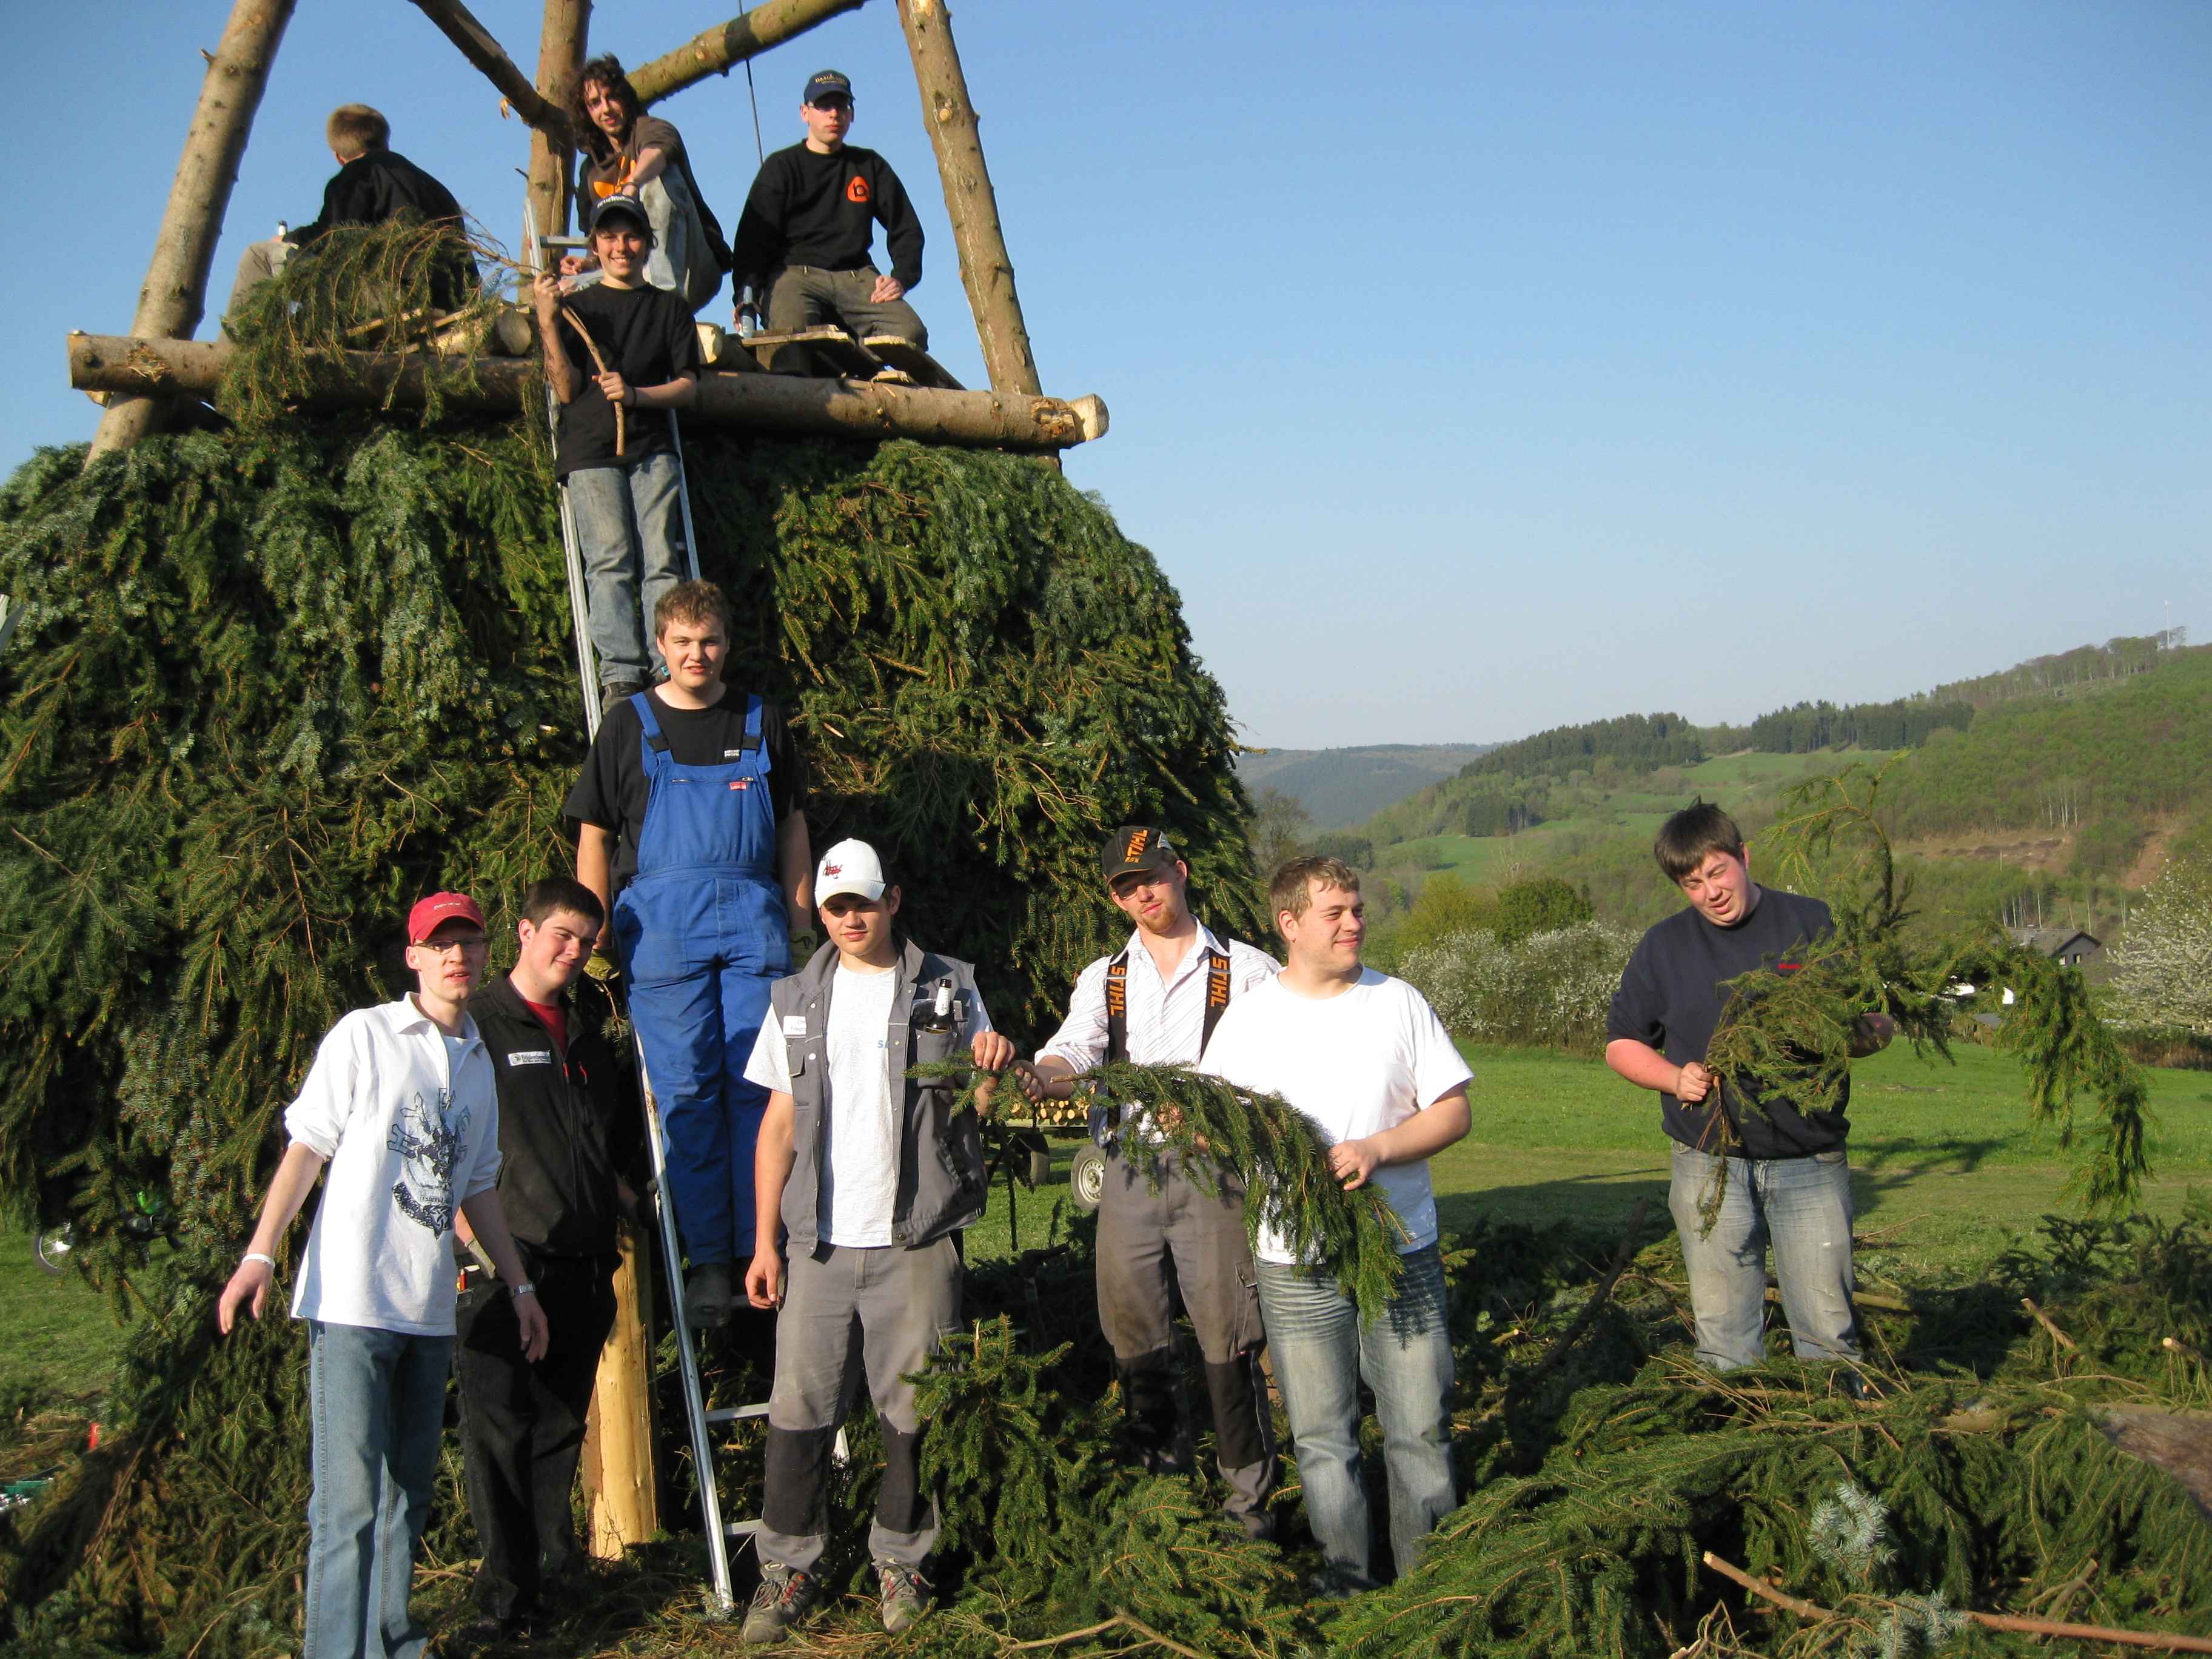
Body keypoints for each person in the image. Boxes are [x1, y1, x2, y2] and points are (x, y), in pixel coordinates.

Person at [216, 892, 549, 1659]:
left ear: (485, 952)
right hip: (351, 1302)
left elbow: (479, 1187)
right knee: (347, 1508)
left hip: (428, 1311)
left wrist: (521, 1286)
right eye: (440, 945)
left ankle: (391, 1641)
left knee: (408, 1499)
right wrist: (260, 1256)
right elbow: (307, 1148)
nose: (455, 957)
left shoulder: (478, 1061)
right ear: (414, 957)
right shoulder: (364, 1036)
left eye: (468, 942)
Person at [738, 839, 1009, 1643]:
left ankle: (903, 1559)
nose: (851, 918)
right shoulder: (792, 999)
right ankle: (787, 1567)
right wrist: (764, 1242)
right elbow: (777, 1126)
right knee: (800, 1407)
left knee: (914, 1406)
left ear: (891, 901)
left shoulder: (951, 988)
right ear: (820, 914)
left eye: (863, 902)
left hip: (916, 1236)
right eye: (835, 907)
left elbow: (983, 1100)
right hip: (817, 1243)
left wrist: (992, 1065)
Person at [1198, 855, 1471, 1594]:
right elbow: (1215, 1123)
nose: (1355, 923)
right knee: (1322, 1440)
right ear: (1290, 925)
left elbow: (1454, 1110)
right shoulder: (1251, 1016)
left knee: (1419, 1429)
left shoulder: (1398, 1002)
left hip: (1399, 1248)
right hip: (1294, 1261)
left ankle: (1429, 1593)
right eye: (1335, 913)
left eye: (1356, 908)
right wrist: (1196, 1126)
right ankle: (1347, 1591)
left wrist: (1380, 1148)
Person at [1012, 826, 1279, 1537]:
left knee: (1230, 1337)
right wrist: (1041, 1076)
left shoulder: (1249, 970)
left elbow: (1272, 1072)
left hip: (1214, 1172)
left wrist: (1212, 1111)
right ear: (1116, 898)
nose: (1142, 893)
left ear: (1180, 870)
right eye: (1126, 886)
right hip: (1128, 1171)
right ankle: (1162, 1496)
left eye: (1152, 876)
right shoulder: (1108, 976)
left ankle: (1246, 1503)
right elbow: (1075, 1047)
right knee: (1135, 1336)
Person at [565, 580, 811, 1329]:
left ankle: (756, 1248)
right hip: (661, 931)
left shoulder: (762, 719)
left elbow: (793, 828)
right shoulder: (628, 724)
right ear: (661, 649)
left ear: (724, 646)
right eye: (682, 644)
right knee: (689, 1096)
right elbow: (595, 837)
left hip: (756, 925)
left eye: (708, 642)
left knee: (760, 1089)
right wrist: (591, 928)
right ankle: (708, 1262)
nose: (696, 655)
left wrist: (802, 928)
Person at [1604, 802, 1891, 1373]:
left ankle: (1831, 1441)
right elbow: (1620, 1043)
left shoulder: (1812, 923)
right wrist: (1673, 1077)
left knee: (1828, 1334)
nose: (1710, 891)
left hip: (1809, 1158)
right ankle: (1736, 1437)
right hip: (1708, 1163)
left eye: (1718, 872)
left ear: (1744, 857)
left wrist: (1837, 1035)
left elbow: (1879, 1022)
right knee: (1723, 1342)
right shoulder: (1663, 947)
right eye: (1692, 883)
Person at [452, 877, 638, 1640]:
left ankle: (555, 1584)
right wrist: (481, 1252)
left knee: (559, 1431)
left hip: (586, 1265)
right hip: (504, 1266)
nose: (572, 951)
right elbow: (451, 1144)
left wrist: (627, 1212)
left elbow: (612, 1147)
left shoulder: (588, 1035)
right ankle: (506, 1602)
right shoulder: (476, 1027)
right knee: (498, 1435)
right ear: (523, 932)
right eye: (561, 934)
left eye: (585, 943)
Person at [534, 192, 702, 711]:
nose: (620, 246)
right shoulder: (577, 309)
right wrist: (546, 320)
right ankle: (622, 676)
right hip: (589, 449)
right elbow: (564, 389)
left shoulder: (670, 308)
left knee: (661, 560)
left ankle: (663, 666)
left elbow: (689, 386)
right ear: (594, 245)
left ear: (647, 243)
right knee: (609, 560)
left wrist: (636, 396)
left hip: (652, 447)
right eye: (608, 236)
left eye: (631, 235)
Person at [729, 69, 928, 374]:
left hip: (856, 276)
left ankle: (860, 373)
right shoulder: (781, 167)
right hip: (796, 274)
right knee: (786, 342)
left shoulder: (869, 165)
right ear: (805, 113)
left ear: (852, 114)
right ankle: (808, 390)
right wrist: (746, 295)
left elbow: (907, 228)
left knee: (909, 333)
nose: (834, 114)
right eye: (824, 106)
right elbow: (752, 239)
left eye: (841, 106)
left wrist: (902, 276)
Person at [226, 104, 474, 325]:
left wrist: (289, 238)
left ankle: (235, 355)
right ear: (385, 141)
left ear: (339, 156)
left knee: (258, 255)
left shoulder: (357, 176)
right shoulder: (434, 186)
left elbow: (335, 238)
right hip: (451, 297)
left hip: (397, 296)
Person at [560, 55, 728, 312]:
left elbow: (657, 154)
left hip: (693, 269)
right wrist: (588, 265)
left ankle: (662, 305)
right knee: (565, 291)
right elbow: (597, 239)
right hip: (632, 278)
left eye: (611, 97)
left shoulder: (652, 129)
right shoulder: (590, 172)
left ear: (624, 98)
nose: (606, 109)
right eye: (595, 103)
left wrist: (633, 184)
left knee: (657, 181)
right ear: (587, 112)